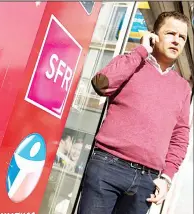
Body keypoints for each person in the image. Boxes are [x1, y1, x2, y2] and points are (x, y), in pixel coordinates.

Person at [77, 11, 192, 214]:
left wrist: (167, 177)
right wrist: (140, 51)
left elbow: (180, 137)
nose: (176, 40)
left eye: (182, 37)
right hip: (108, 166)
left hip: (147, 180)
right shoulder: (132, 63)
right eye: (170, 33)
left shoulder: (183, 88)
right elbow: (101, 84)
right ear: (153, 35)